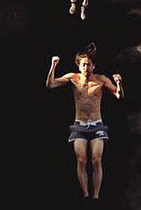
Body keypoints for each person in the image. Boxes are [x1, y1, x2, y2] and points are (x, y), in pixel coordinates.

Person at [47, 45, 123, 199]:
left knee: (96, 159)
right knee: (81, 160)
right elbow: (50, 84)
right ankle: (86, 194)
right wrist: (53, 66)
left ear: (93, 66)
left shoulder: (101, 79)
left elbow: (119, 96)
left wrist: (119, 83)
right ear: (79, 66)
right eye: (83, 64)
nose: (86, 67)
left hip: (97, 124)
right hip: (79, 125)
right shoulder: (73, 78)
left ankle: (96, 195)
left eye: (88, 64)